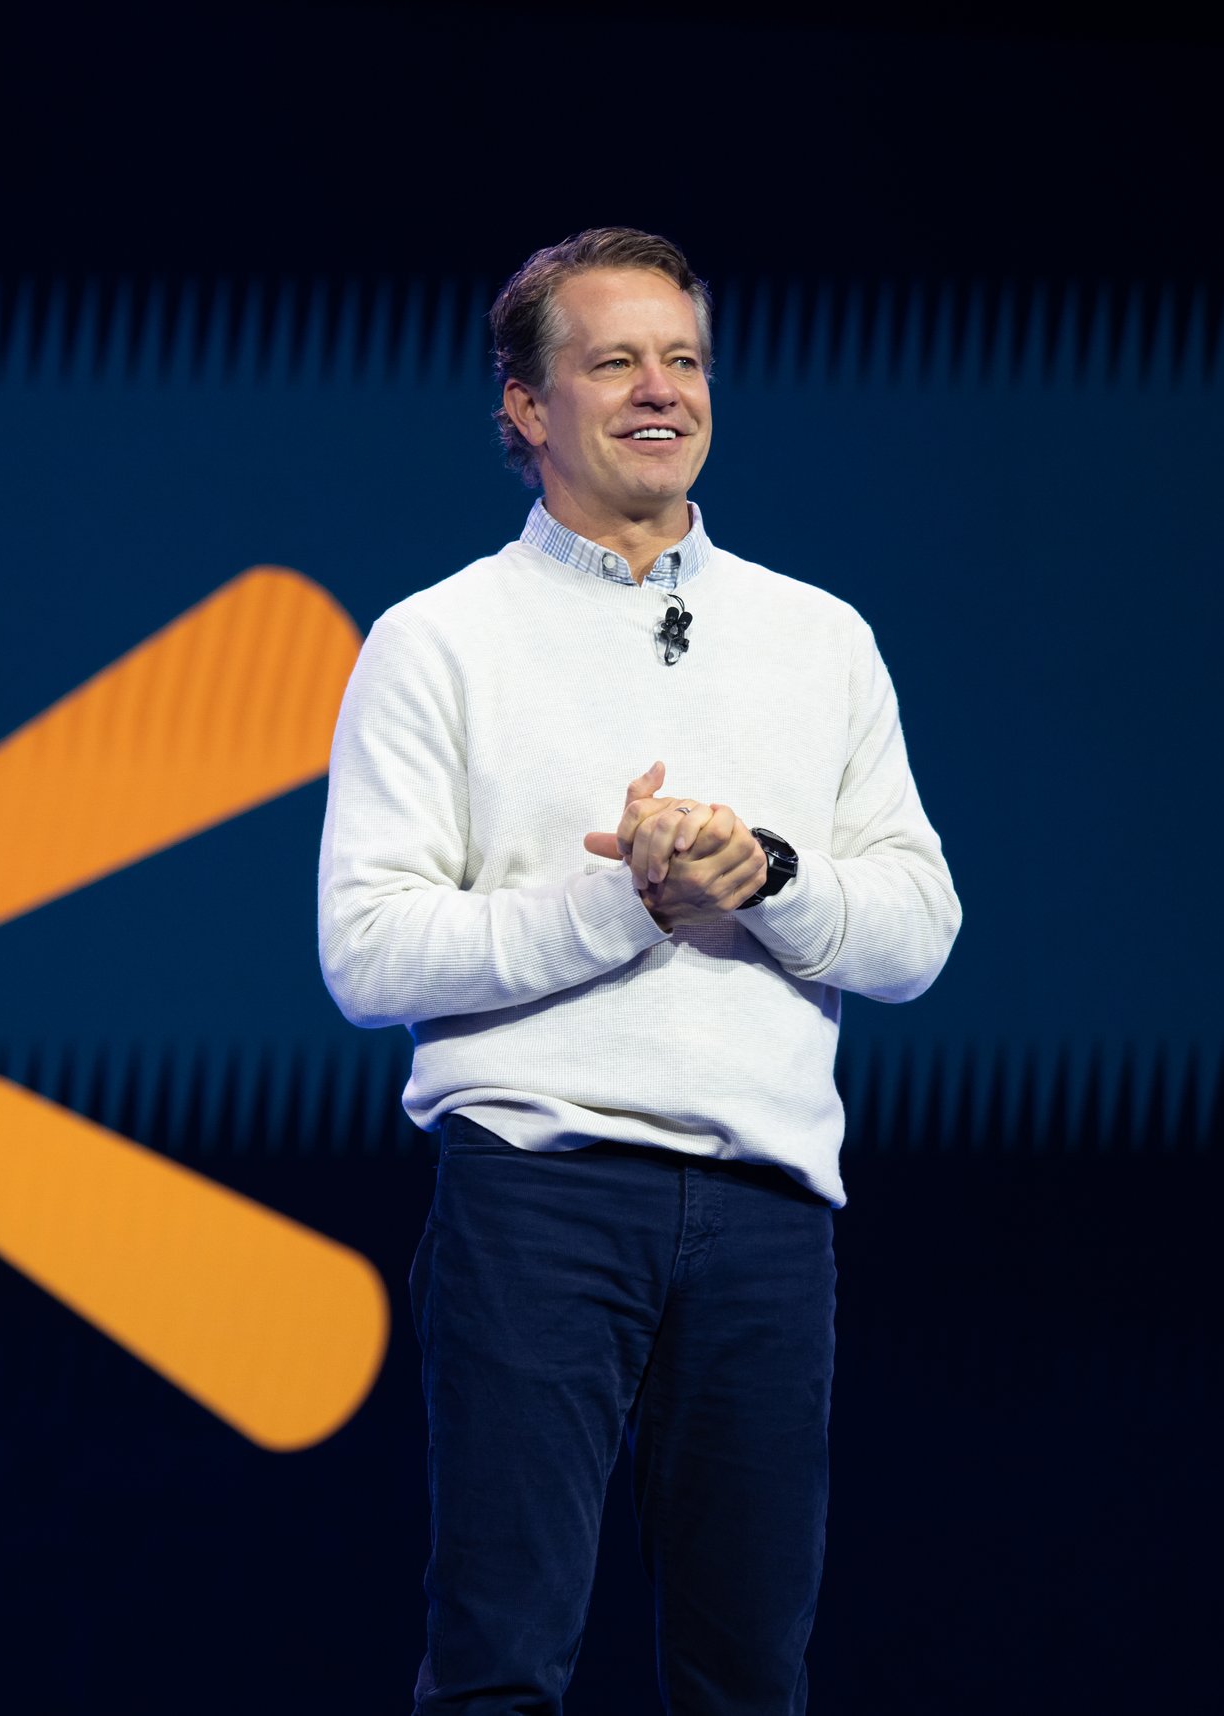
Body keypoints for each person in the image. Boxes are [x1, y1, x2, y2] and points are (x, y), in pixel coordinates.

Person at [315, 227, 961, 1714]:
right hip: (536, 1200)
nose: (660, 390)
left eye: (683, 360)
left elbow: (920, 931)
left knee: (749, 1677)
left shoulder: (819, 638)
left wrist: (768, 875)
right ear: (526, 407)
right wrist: (626, 905)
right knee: (500, 1670)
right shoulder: (437, 642)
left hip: (765, 1215)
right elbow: (370, 954)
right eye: (613, 362)